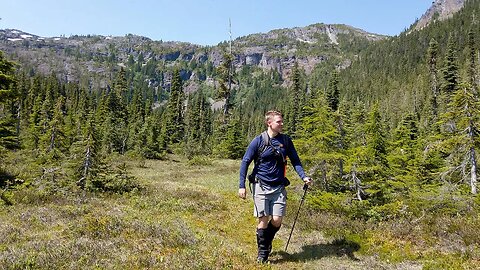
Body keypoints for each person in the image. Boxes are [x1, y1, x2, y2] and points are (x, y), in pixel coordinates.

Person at [238, 110, 312, 263]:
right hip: (260, 185)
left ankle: (267, 240)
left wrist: (304, 176)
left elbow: (295, 160)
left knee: (277, 220)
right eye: (279, 121)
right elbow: (245, 161)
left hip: (278, 187)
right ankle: (263, 253)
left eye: (282, 121)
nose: (282, 124)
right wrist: (242, 185)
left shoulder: (285, 141)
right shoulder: (258, 141)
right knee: (263, 220)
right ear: (269, 123)